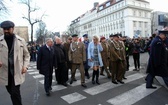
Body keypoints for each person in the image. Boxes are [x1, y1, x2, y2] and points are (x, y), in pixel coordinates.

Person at [0, 20, 30, 105]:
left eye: (8, 29)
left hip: (17, 71)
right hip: (5, 72)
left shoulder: (21, 41)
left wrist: (25, 66)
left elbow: (27, 55)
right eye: (4, 29)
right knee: (12, 92)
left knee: (14, 92)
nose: (6, 31)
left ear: (13, 29)